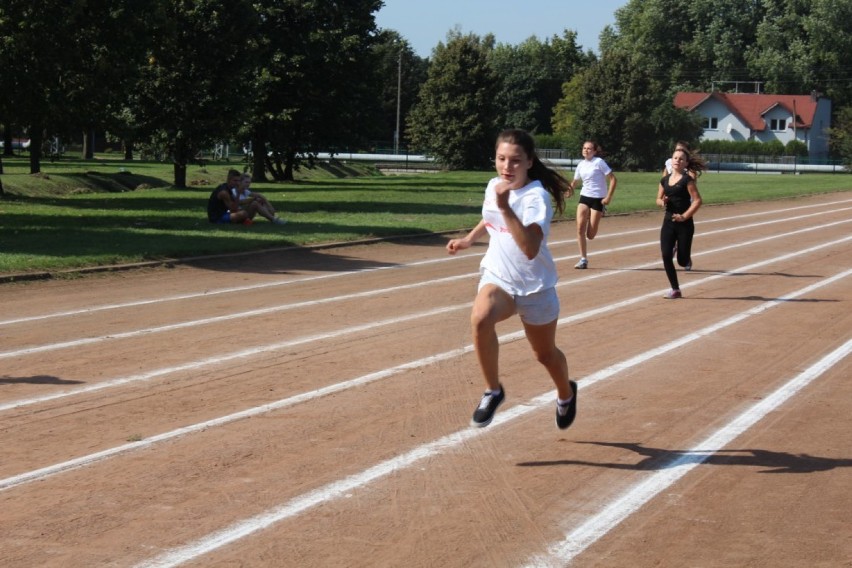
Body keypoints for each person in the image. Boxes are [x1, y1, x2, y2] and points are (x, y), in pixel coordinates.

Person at [446, 129, 578, 430]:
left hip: (536, 286)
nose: (507, 167)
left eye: (515, 161)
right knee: (480, 317)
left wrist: (506, 207)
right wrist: (469, 238)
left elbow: (530, 248)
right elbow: (490, 216)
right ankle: (493, 390)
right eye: (501, 159)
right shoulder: (494, 185)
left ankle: (566, 393)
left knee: (544, 354)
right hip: (499, 277)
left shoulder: (536, 198)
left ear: (530, 162)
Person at [656, 147, 706, 298]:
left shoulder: (687, 180)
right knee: (665, 255)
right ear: (671, 161)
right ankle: (675, 289)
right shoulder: (664, 180)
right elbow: (658, 199)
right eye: (675, 158)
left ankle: (684, 255)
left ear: (686, 163)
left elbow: (697, 201)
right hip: (668, 222)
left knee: (683, 261)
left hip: (684, 224)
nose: (677, 161)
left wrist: (684, 216)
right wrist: (662, 201)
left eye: (681, 159)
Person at [567, 140, 616, 269]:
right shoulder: (581, 165)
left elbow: (613, 179)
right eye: (584, 148)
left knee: (591, 235)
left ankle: (599, 212)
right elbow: (575, 181)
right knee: (579, 229)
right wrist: (570, 190)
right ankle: (583, 259)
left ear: (594, 151)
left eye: (589, 148)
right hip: (584, 197)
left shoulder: (599, 162)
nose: (586, 150)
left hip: (598, 199)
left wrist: (608, 197)